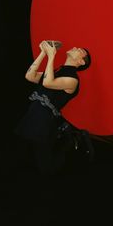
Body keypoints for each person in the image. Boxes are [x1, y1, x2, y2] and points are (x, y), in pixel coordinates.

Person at [14, 41, 93, 175]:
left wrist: (51, 55)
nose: (75, 47)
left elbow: (48, 82)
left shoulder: (73, 80)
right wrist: (43, 53)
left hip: (43, 120)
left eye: (80, 50)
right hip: (34, 114)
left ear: (81, 62)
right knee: (27, 158)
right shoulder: (58, 70)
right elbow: (30, 76)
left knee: (45, 166)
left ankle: (73, 144)